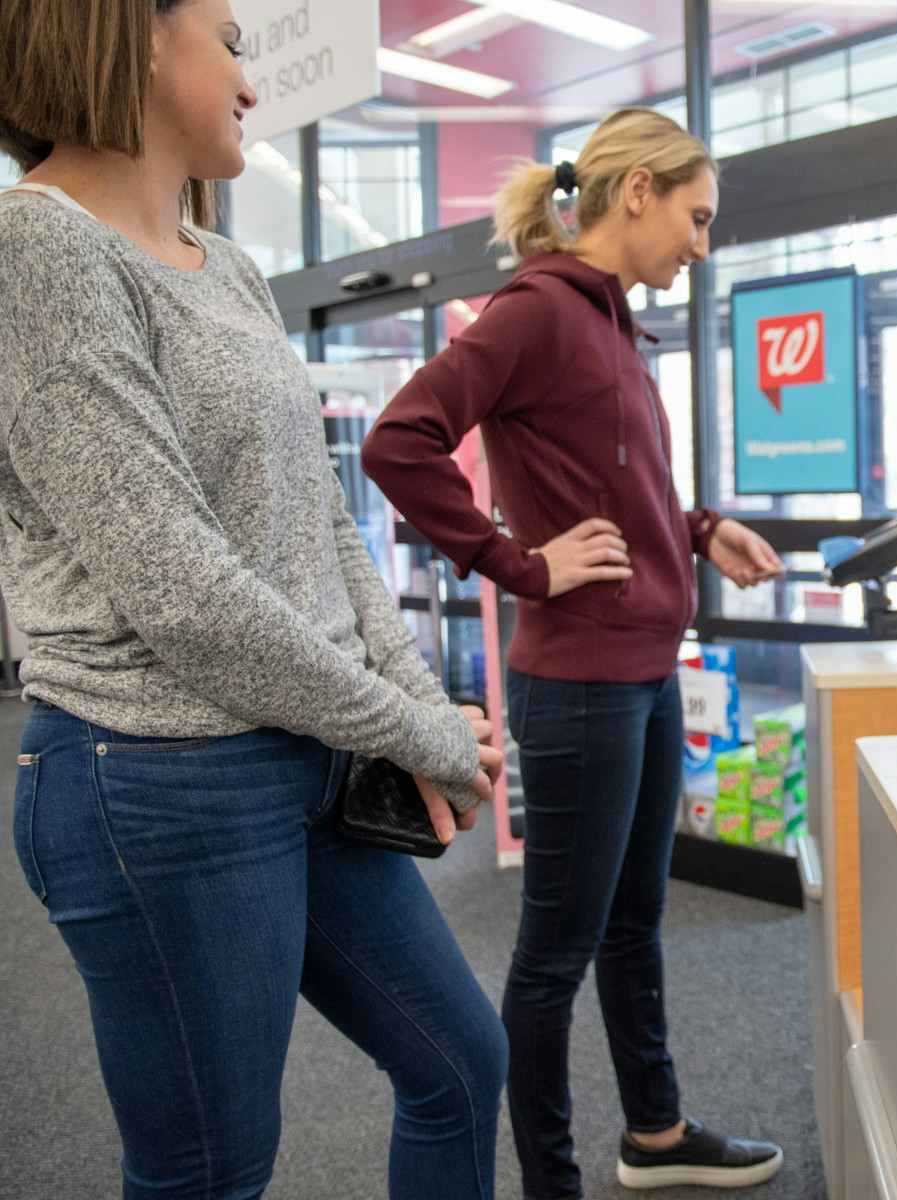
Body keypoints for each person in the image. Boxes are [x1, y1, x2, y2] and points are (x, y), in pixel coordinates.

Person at [0, 2, 510, 1196]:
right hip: (158, 778)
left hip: (305, 754)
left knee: (458, 1060)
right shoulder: (37, 251)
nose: (250, 76)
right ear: (128, 36)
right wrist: (418, 731)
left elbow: (322, 526)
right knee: (212, 1171)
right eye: (231, 40)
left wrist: (416, 702)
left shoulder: (226, 265)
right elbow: (184, 594)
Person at [362, 108, 788, 1195]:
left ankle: (653, 1135)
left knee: (633, 925)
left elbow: (618, 490)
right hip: (583, 689)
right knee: (552, 958)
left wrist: (698, 531)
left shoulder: (611, 326)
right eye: (696, 217)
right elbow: (398, 440)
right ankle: (550, 1182)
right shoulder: (538, 314)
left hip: (641, 674)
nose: (703, 243)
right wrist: (517, 563)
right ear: (636, 191)